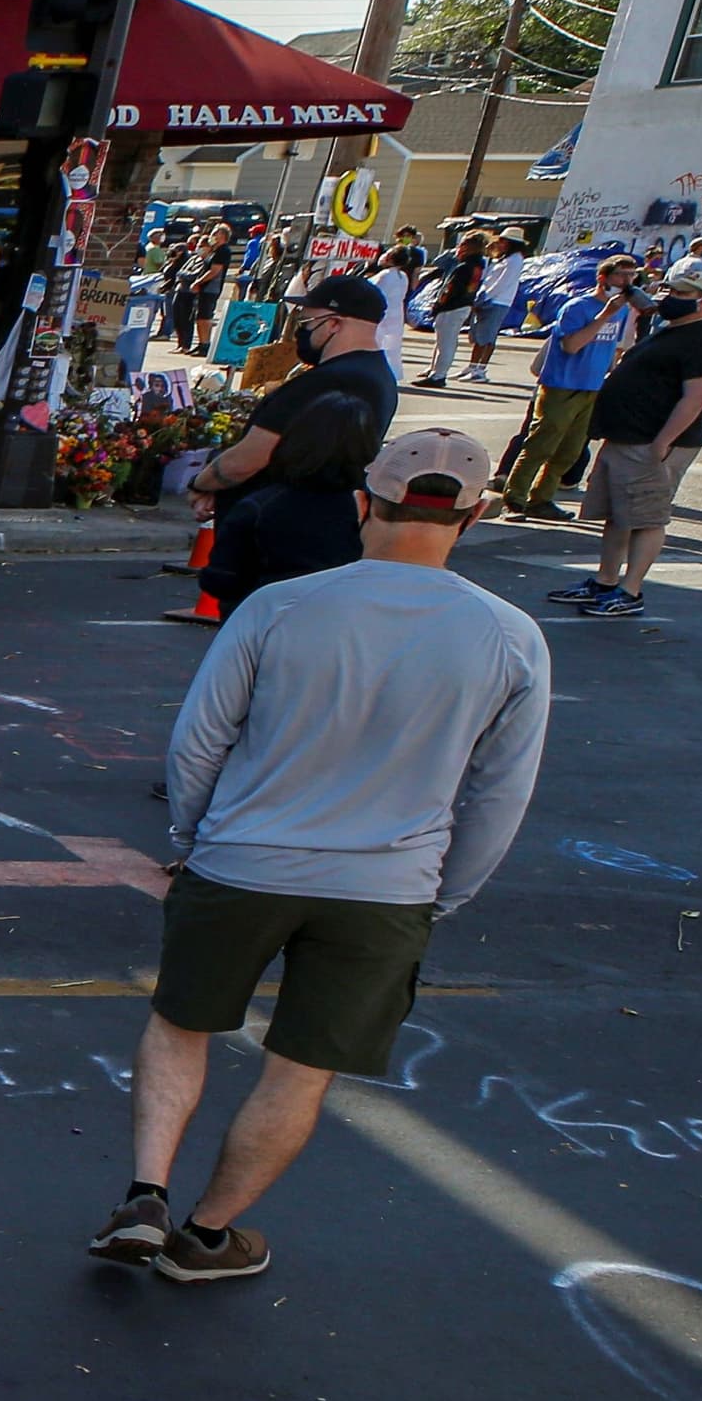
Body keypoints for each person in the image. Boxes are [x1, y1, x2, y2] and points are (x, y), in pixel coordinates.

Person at [92, 431, 545, 1281]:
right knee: (301, 1068)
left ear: (364, 502)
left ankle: (146, 1191)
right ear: (474, 516)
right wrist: (440, 894)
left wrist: (193, 839)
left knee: (181, 1023)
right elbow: (499, 793)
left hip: (242, 861)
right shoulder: (510, 636)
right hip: (387, 884)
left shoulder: (281, 606)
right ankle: (208, 1234)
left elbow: (199, 742)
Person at [562, 269, 702, 620]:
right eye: (672, 291)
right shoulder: (674, 330)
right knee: (618, 516)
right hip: (626, 436)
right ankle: (605, 581)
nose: (671, 298)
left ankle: (630, 590)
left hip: (653, 441)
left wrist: (662, 443)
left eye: (681, 294)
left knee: (646, 519)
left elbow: (696, 397)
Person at [185, 275, 397, 523]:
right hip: (324, 519)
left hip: (271, 523)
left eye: (306, 320)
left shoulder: (325, 381)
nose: (301, 329)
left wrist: (200, 484)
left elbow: (249, 458)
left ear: (333, 324)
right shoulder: (380, 375)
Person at [194, 390, 380, 613]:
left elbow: (221, 578)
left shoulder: (261, 506)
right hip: (342, 624)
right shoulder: (373, 509)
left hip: (260, 622)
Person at [499, 254, 641, 517]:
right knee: (541, 444)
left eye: (632, 275)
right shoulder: (578, 307)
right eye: (621, 275)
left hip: (591, 386)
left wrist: (610, 372)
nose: (627, 281)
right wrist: (603, 315)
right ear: (603, 278)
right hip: (562, 384)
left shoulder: (621, 310)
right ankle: (515, 497)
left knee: (570, 450)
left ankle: (541, 498)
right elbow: (571, 345)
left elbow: (611, 347)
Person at [415, 232, 490, 387]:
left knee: (446, 343)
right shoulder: (478, 265)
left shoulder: (464, 267)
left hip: (452, 307)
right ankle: (435, 371)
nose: (459, 248)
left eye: (462, 244)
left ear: (469, 247)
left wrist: (438, 305)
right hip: (463, 305)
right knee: (444, 342)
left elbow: (450, 289)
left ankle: (439, 375)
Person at [469, 230, 523, 380]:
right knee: (478, 335)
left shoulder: (515, 260)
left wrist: (486, 297)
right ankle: (472, 366)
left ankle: (481, 369)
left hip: (498, 301)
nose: (500, 244)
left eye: (504, 241)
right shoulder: (503, 258)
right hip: (487, 297)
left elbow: (503, 283)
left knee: (488, 336)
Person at [371, 243, 422, 365]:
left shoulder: (385, 275)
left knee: (377, 342)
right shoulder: (403, 276)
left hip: (382, 314)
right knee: (391, 346)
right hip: (396, 314)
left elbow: (374, 291)